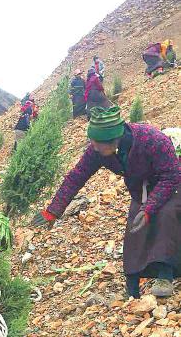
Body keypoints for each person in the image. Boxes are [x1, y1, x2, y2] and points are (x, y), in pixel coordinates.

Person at [32, 105, 181, 299]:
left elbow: (171, 175)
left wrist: (149, 208)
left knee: (165, 216)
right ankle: (132, 290)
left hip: (171, 185)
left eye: (96, 143)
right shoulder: (98, 150)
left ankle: (165, 275)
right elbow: (76, 176)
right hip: (141, 190)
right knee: (135, 231)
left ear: (113, 141)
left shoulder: (151, 139)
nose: (92, 147)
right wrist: (53, 210)